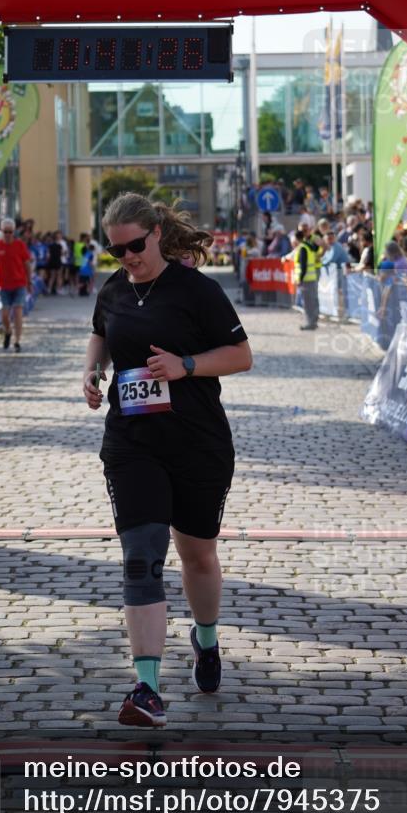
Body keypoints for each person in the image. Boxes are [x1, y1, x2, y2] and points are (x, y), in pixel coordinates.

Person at [83, 192, 252, 727]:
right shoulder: (113, 289)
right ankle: (147, 688)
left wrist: (186, 364)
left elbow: (242, 356)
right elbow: (100, 333)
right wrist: (91, 371)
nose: (128, 258)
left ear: (157, 232)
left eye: (135, 246)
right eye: (117, 251)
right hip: (132, 443)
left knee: (197, 554)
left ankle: (205, 638)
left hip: (197, 442)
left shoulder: (195, 290)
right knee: (142, 552)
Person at [0, 216, 33, 352]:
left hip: (19, 284)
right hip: (3, 285)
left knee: (18, 312)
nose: (7, 234)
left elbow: (27, 264)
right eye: (5, 232)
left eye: (10, 232)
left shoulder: (20, 245)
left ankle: (17, 341)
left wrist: (29, 282)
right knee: (5, 314)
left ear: (14, 232)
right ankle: (8, 331)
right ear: (1, 231)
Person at [293, 227, 322, 330]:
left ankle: (310, 323)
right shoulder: (308, 245)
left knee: (308, 302)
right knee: (313, 300)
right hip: (312, 277)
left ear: (296, 239)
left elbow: (303, 266)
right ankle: (314, 321)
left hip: (306, 279)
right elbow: (317, 248)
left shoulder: (303, 248)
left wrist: (300, 279)